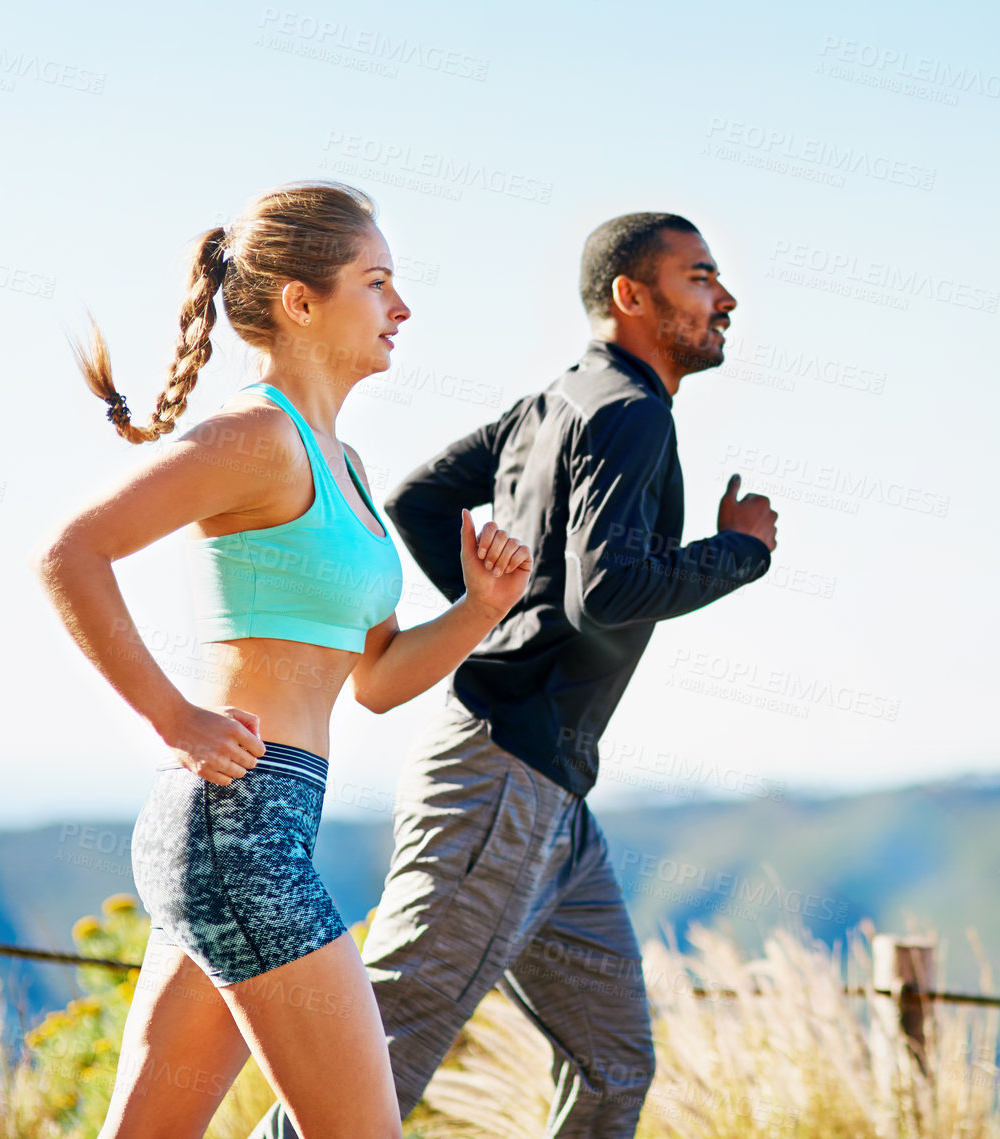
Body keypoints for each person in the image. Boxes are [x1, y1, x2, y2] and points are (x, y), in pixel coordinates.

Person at [248, 212, 780, 1138]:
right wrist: (738, 550)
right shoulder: (630, 413)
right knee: (381, 1057)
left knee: (614, 1063)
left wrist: (494, 608)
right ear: (632, 295)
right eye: (701, 279)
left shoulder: (561, 402)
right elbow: (608, 591)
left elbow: (420, 499)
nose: (724, 299)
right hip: (502, 774)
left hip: (551, 789)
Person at [33, 180, 535, 1139]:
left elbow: (378, 680)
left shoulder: (339, 462)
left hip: (251, 825)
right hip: (241, 826)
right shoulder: (257, 436)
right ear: (301, 303)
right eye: (376, 281)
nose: (402, 306)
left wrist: (479, 608)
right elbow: (70, 551)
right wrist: (172, 716)